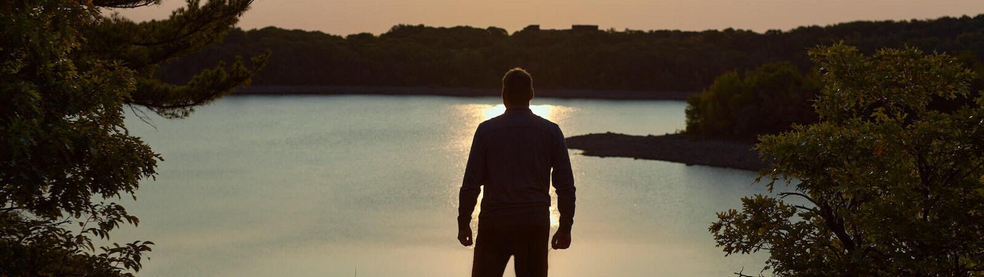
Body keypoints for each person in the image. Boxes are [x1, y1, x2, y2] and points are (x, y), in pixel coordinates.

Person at [457, 68, 577, 277]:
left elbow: (471, 183)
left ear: (503, 95)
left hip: (495, 222)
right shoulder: (551, 132)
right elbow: (565, 186)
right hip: (534, 223)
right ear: (531, 94)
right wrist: (565, 226)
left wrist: (464, 222)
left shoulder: (486, 131)